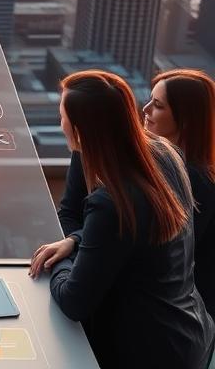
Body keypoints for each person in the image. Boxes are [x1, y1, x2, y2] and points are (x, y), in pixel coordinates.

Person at [30, 70, 213, 368]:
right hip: (187, 333)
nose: (58, 122)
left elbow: (74, 301)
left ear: (78, 130)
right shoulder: (165, 154)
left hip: (146, 351)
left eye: (61, 115)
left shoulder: (112, 203)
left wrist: (60, 257)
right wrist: (76, 239)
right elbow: (134, 235)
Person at [144, 69, 215, 316]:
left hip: (183, 316)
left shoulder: (195, 180)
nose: (145, 110)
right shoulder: (175, 166)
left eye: (158, 105)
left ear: (185, 119)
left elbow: (165, 255)